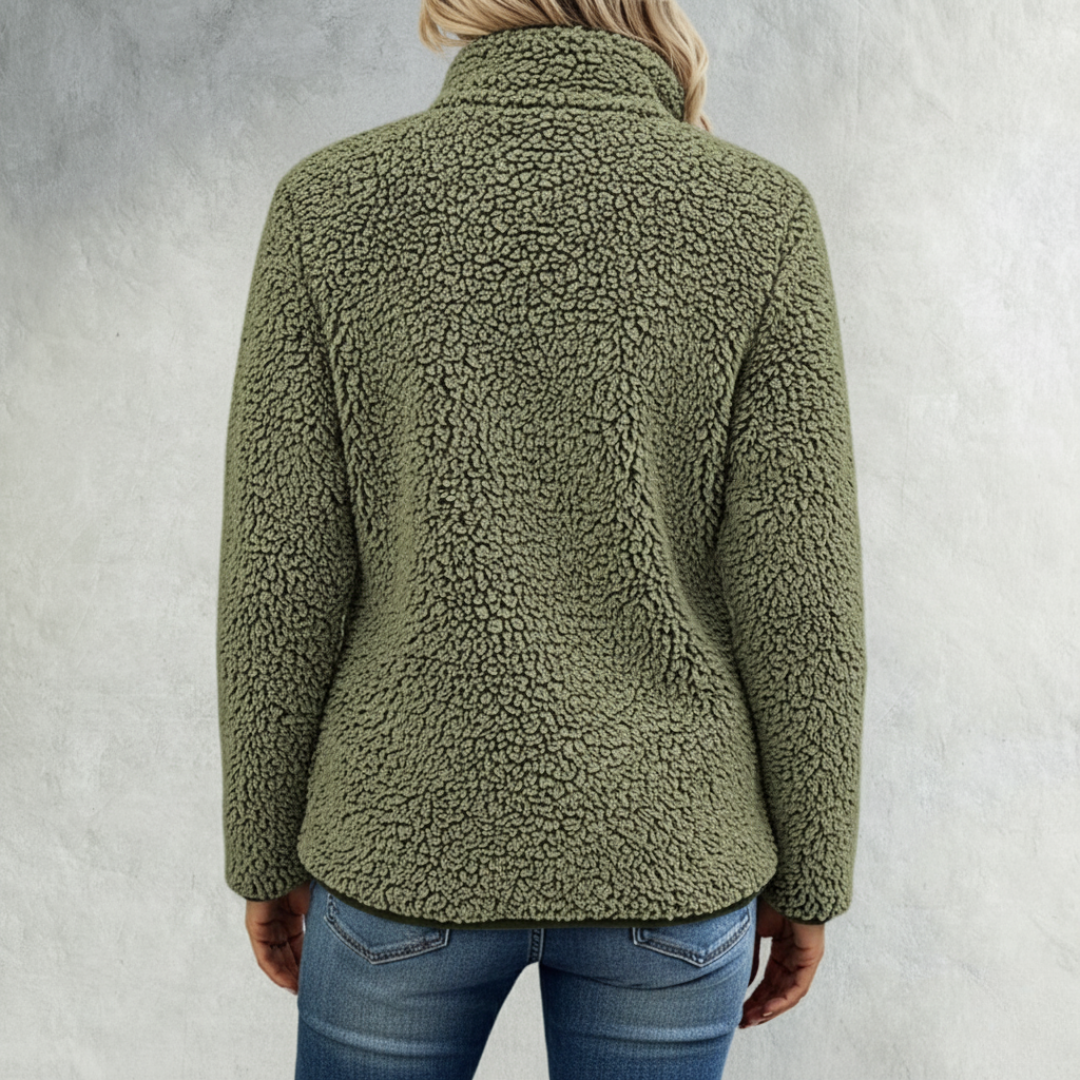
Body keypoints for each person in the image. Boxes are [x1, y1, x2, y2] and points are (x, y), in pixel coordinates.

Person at [216, 1, 867, 1076]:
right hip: (668, 849)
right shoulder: (759, 215)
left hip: (403, 835)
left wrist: (261, 846)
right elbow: (803, 593)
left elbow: (279, 574)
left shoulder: (330, 205)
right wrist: (811, 875)